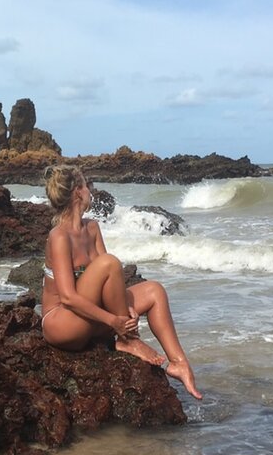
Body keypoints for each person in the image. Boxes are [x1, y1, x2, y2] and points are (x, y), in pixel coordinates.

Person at [40, 164, 202, 399]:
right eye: (86, 185)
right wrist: (114, 321)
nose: (90, 190)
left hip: (90, 318)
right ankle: (128, 340)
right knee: (109, 262)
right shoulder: (59, 236)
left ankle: (179, 363)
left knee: (155, 291)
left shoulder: (92, 228)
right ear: (77, 192)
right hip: (62, 324)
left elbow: (110, 282)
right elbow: (67, 297)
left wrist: (124, 309)